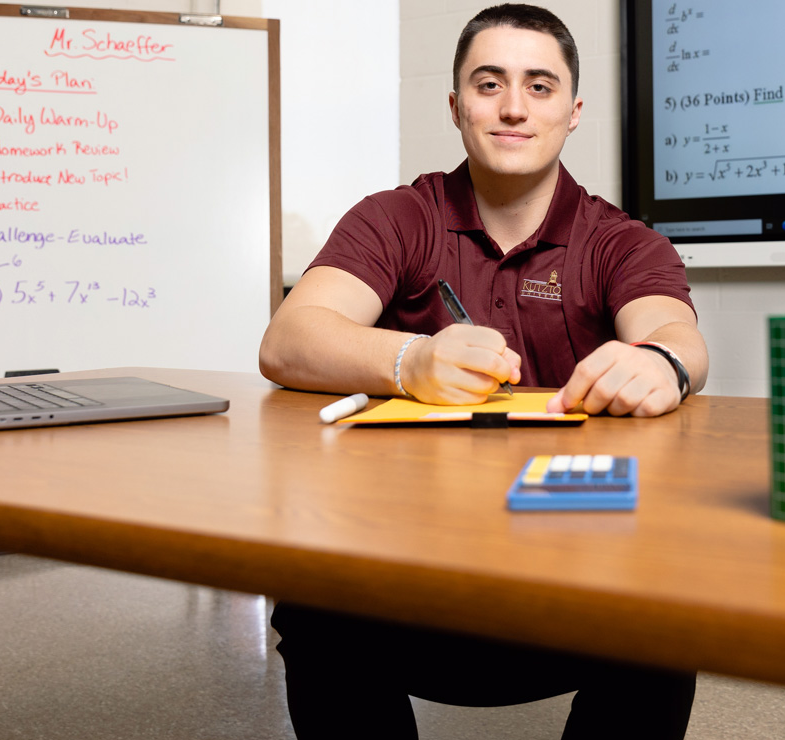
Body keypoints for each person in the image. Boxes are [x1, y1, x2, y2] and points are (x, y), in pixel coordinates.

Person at [258, 5, 705, 739]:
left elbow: (674, 332)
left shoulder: (622, 239)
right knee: (313, 600)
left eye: (539, 86)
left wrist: (660, 363)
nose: (512, 108)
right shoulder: (395, 217)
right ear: (457, 106)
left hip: (581, 568)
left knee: (673, 606)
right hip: (401, 564)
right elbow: (288, 339)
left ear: (573, 110)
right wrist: (410, 359)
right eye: (488, 83)